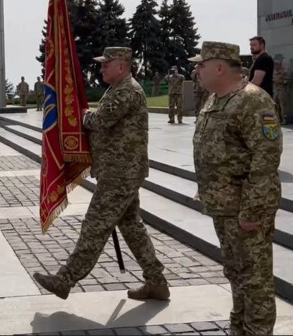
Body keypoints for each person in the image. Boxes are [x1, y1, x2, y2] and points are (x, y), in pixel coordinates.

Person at [32, 47, 169, 302]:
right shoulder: (116, 89)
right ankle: (156, 282)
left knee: (95, 225)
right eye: (102, 63)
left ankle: (65, 280)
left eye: (107, 63)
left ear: (122, 65)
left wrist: (81, 115)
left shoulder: (128, 90)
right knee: (131, 227)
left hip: (121, 174)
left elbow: (100, 121)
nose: (102, 67)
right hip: (118, 171)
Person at [190, 41, 282, 335]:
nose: (197, 70)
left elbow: (266, 159)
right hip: (224, 206)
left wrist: (252, 210)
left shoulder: (253, 101)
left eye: (201, 64)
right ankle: (239, 328)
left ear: (219, 67)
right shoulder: (215, 99)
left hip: (246, 209)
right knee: (236, 273)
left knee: (255, 280)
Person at [273, 55, 288, 124]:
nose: (275, 66)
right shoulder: (274, 71)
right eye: (275, 64)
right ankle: (278, 119)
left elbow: (287, 80)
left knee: (282, 105)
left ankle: (284, 119)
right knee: (275, 105)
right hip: (275, 89)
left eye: (277, 64)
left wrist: (280, 81)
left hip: (282, 89)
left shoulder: (285, 71)